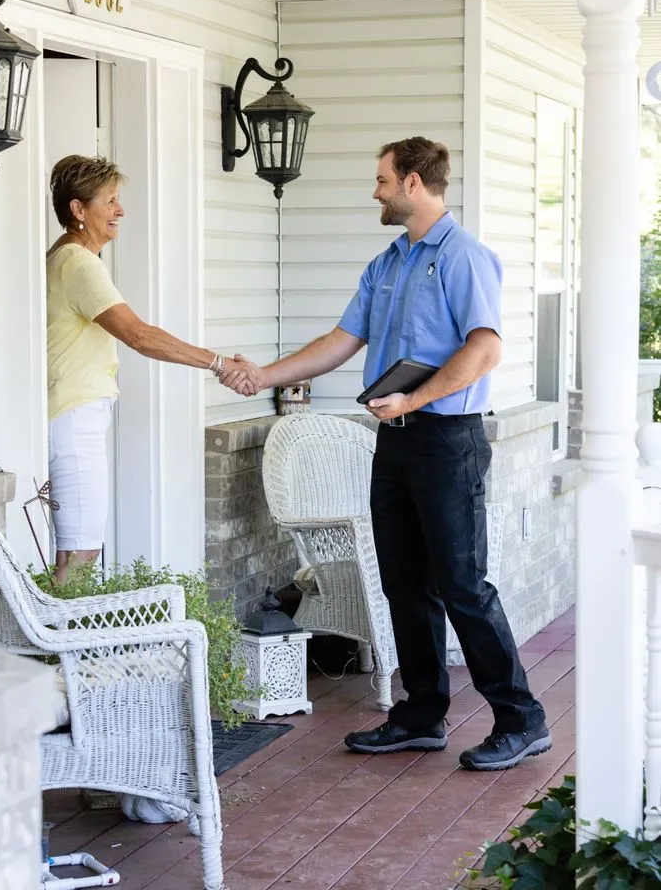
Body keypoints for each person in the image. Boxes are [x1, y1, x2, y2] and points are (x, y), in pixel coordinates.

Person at [222, 137, 551, 771]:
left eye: (381, 180)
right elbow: (343, 339)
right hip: (394, 441)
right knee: (404, 583)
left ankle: (521, 719)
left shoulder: (464, 258)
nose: (373, 191)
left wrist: (416, 399)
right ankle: (421, 716)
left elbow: (484, 350)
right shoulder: (388, 263)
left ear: (412, 184)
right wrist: (264, 376)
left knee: (463, 586)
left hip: (447, 440)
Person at [46, 154, 259, 584]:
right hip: (74, 417)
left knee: (76, 549)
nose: (120, 210)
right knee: (80, 553)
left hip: (70, 413)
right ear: (78, 209)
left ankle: (57, 646)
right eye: (110, 200)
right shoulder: (78, 263)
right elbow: (140, 336)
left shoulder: (67, 257)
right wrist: (218, 364)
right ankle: (55, 650)